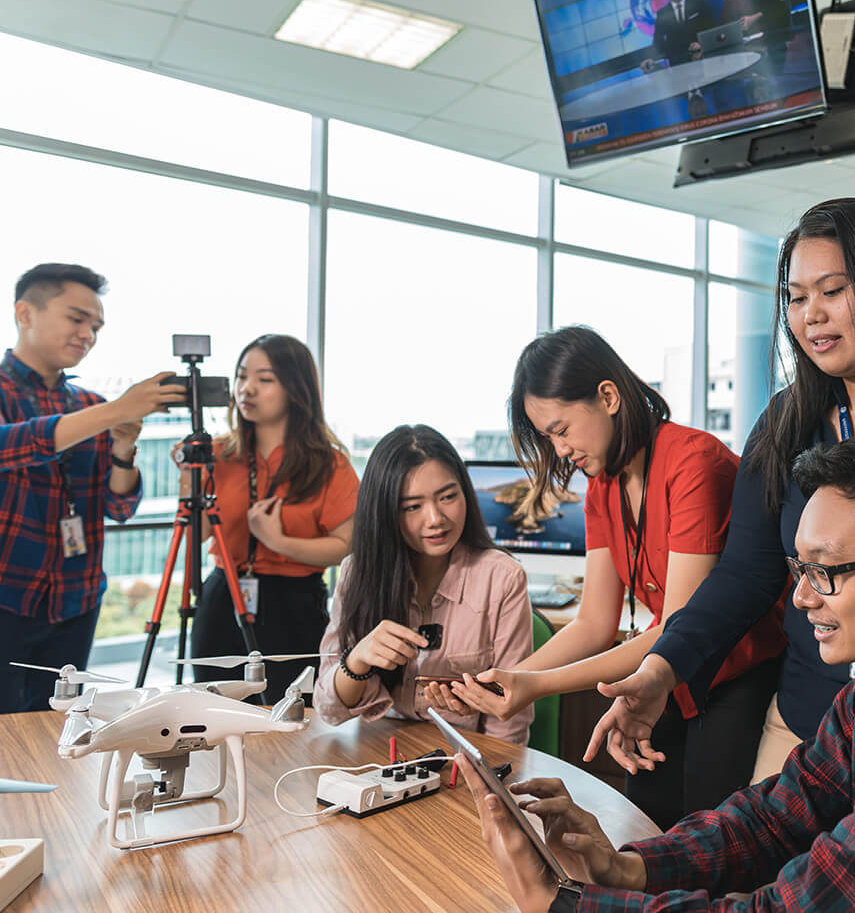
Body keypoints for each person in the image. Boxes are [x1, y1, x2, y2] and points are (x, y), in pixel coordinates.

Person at [462, 433, 855, 912]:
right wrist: (628, 868)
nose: (803, 597)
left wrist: (563, 906)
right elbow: (777, 816)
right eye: (798, 569)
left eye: (827, 571)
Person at [588, 197, 855, 784]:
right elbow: (745, 576)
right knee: (750, 869)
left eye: (832, 291)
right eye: (797, 298)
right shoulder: (786, 422)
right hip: (812, 727)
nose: (811, 316)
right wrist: (662, 668)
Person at [451, 327, 786, 828]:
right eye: (548, 438)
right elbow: (593, 622)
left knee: (708, 833)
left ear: (607, 396)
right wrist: (512, 678)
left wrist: (535, 687)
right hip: (666, 675)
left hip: (735, 673)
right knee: (644, 821)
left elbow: (678, 630)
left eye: (561, 429)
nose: (560, 450)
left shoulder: (693, 463)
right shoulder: (600, 488)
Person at [1, 262, 187, 713]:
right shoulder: (93, 409)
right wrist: (115, 411)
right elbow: (12, 445)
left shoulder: (89, 404)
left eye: (97, 326)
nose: (88, 334)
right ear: (25, 313)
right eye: (76, 318)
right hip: (8, 593)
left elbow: (119, 505)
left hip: (76, 597)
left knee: (59, 729)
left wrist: (123, 447)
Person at [313, 424, 534, 744]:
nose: (435, 519)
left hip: (461, 761)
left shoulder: (502, 579)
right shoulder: (357, 573)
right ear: (386, 512)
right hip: (374, 756)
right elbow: (328, 709)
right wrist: (357, 660)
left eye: (447, 497)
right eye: (413, 507)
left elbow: (509, 725)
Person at [185, 334, 357, 704]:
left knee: (293, 718)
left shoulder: (328, 463)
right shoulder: (215, 454)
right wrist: (190, 479)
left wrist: (279, 542)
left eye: (265, 380)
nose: (247, 389)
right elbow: (194, 539)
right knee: (213, 716)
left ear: (295, 388)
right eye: (242, 376)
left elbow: (346, 547)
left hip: (295, 606)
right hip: (223, 599)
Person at [720, 0, 789, 97]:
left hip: (769, 42)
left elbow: (779, 9)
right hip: (744, 47)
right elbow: (725, 25)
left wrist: (755, 17)